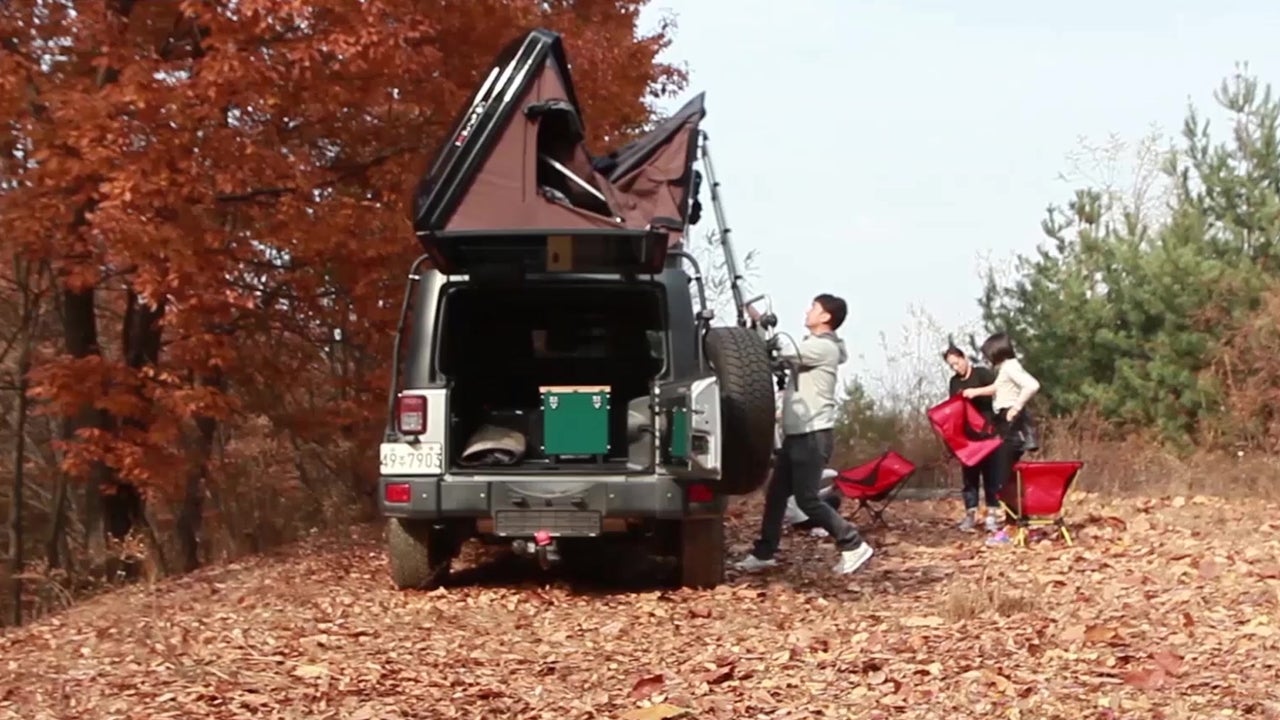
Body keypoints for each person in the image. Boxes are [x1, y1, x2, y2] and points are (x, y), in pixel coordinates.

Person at [734, 294, 874, 575]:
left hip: (813, 434)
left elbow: (782, 349)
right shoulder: (814, 346)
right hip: (798, 435)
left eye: (814, 308)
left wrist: (761, 325)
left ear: (825, 318)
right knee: (776, 496)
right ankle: (765, 553)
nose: (808, 311)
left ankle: (853, 543)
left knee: (807, 499)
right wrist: (759, 322)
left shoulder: (824, 348)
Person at [961, 333, 1041, 543]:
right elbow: (999, 388)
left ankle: (1013, 528)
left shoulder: (1010, 367)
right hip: (1005, 423)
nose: (987, 357)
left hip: (1010, 426)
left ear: (996, 350)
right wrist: (975, 392)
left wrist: (1015, 408)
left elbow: (1032, 385)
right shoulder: (1008, 368)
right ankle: (1018, 525)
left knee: (1003, 480)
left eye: (988, 353)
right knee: (1007, 479)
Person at [943, 345, 1002, 533]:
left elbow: (998, 387)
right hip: (967, 438)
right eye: (951, 365)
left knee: (991, 475)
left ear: (964, 358)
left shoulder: (981, 374)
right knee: (970, 477)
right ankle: (970, 514)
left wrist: (975, 392)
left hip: (987, 432)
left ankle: (992, 515)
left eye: (956, 363)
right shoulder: (954, 382)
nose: (955, 368)